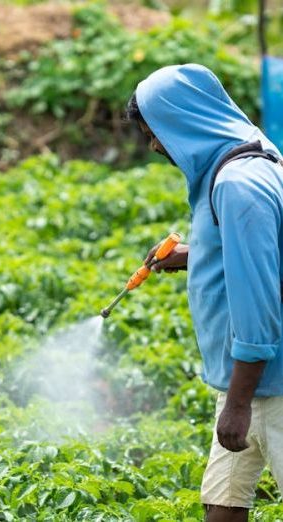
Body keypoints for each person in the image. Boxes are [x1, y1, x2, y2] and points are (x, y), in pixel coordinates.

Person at [126, 63, 283, 521]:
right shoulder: (254, 154)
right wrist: (199, 254)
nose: (155, 144)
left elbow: (259, 300)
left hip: (266, 385)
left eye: (155, 131)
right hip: (248, 378)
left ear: (184, 122)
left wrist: (237, 406)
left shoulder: (238, 185)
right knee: (222, 504)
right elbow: (262, 250)